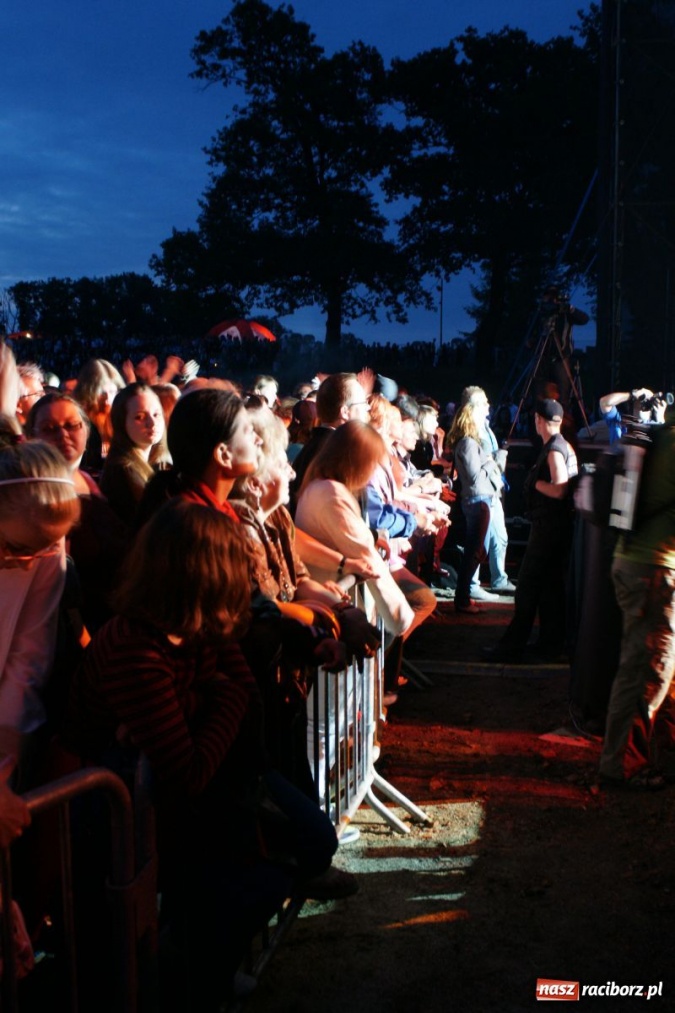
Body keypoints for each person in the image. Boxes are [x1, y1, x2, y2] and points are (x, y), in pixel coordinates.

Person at [61, 499, 343, 1008]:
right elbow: (191, 767)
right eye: (236, 567)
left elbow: (247, 703)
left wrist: (195, 703)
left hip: (198, 797)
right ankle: (192, 975)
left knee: (309, 845)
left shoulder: (202, 627)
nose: (245, 578)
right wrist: (216, 698)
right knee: (256, 881)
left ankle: (194, 959)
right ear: (206, 575)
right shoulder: (136, 648)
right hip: (122, 821)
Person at [597, 421, 675, 790]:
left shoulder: (662, 434)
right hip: (653, 572)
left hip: (635, 564)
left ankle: (651, 754)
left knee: (652, 666)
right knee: (646, 670)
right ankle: (621, 766)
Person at [0, 439, 81, 782]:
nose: (27, 562)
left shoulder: (45, 544)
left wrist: (7, 749)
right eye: (17, 547)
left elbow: (29, 652)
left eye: (45, 549)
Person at [26, 392, 128, 631]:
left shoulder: (88, 478)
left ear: (86, 430)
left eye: (72, 425)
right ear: (31, 437)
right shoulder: (35, 496)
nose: (63, 434)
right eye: (49, 429)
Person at [486, 398, 578, 662]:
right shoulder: (565, 445)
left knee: (527, 587)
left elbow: (560, 489)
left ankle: (512, 648)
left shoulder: (554, 449)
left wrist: (536, 484)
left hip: (548, 528)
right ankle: (549, 645)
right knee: (550, 589)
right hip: (557, 529)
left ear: (539, 420)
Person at [445, 388, 504, 614]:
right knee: (474, 551)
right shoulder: (468, 443)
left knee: (476, 550)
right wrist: (491, 461)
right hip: (478, 500)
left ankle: (464, 597)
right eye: (484, 404)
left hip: (478, 499)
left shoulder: (468, 441)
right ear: (474, 409)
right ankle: (462, 600)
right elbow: (475, 477)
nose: (488, 408)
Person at [100, 382, 168, 527]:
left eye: (156, 414)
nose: (151, 423)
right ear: (121, 423)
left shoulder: (155, 464)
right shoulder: (123, 470)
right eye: (139, 417)